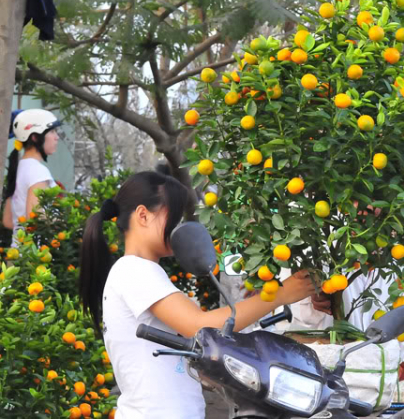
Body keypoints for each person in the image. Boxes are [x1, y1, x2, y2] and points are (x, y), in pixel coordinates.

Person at [78, 171, 315, 419]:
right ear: (143, 215)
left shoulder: (139, 271)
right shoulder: (134, 270)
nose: (178, 227)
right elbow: (201, 326)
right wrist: (279, 295)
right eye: (174, 216)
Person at [2, 109, 61, 234]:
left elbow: (8, 221)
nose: (57, 137)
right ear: (34, 137)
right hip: (35, 252)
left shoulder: (18, 168)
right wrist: (65, 222)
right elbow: (34, 218)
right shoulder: (38, 171)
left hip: (19, 250)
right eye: (52, 131)